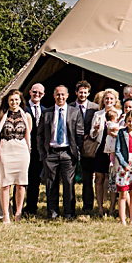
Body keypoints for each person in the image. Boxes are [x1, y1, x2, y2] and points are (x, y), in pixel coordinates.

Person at [0, 89, 31, 223]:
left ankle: (18, 212)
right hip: (6, 149)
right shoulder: (0, 116)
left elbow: (28, 134)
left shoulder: (26, 116)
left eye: (16, 100)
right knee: (5, 184)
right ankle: (5, 214)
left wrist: (28, 149)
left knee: (21, 184)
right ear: (7, 101)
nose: (14, 102)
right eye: (11, 100)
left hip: (21, 150)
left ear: (20, 101)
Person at [37, 85, 84, 220]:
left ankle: (69, 213)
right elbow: (40, 134)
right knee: (51, 184)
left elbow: (80, 134)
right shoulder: (47, 113)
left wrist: (77, 151)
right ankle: (52, 213)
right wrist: (43, 153)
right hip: (51, 153)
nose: (60, 97)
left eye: (63, 95)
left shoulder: (74, 112)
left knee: (69, 184)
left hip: (68, 153)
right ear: (53, 96)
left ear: (68, 95)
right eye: (58, 94)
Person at [88, 88, 121, 217]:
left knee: (112, 179)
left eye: (111, 99)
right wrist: (95, 130)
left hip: (114, 149)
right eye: (106, 99)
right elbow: (92, 133)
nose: (108, 101)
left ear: (115, 101)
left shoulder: (119, 113)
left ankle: (112, 207)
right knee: (99, 178)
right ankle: (100, 207)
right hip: (101, 148)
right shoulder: (98, 114)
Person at [71, 80, 99, 214]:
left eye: (85, 92)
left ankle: (88, 206)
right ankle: (70, 205)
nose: (82, 95)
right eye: (80, 92)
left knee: (88, 178)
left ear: (88, 93)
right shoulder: (69, 107)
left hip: (88, 146)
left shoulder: (95, 108)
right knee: (69, 178)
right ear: (76, 93)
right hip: (72, 145)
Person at [22, 83, 46, 215]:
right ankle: (17, 207)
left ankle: (32, 207)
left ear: (43, 95)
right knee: (20, 179)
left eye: (40, 93)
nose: (37, 94)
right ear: (30, 92)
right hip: (23, 148)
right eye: (35, 92)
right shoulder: (22, 109)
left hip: (38, 151)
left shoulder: (46, 110)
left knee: (35, 179)